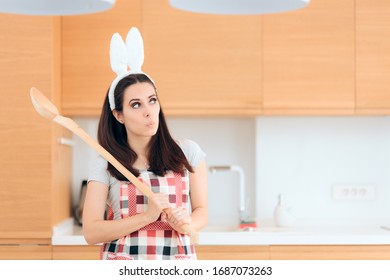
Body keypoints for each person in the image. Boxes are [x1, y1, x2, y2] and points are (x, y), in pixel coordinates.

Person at [82, 28, 208, 260]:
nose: (149, 112)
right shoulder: (106, 162)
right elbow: (91, 232)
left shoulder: (188, 152)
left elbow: (202, 212)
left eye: (152, 101)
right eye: (136, 105)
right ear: (118, 115)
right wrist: (146, 217)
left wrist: (187, 222)